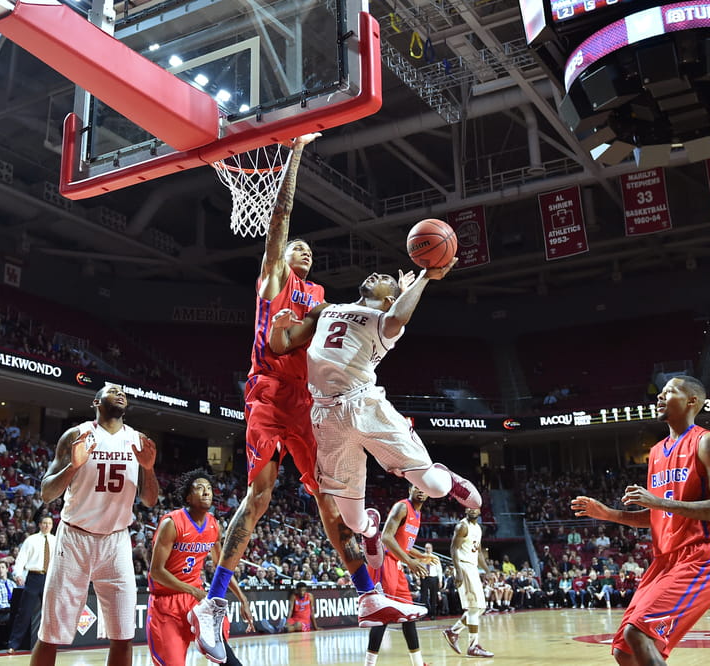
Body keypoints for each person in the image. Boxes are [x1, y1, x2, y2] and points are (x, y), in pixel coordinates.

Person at [191, 134, 424, 663]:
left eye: (310, 252)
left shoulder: (321, 300)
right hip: (269, 395)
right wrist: (296, 153)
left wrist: (405, 289)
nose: (305, 252)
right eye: (300, 248)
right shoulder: (274, 279)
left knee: (331, 498)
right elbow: (280, 220)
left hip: (308, 403)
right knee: (262, 495)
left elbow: (365, 326)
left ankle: (368, 593)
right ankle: (213, 603)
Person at [268, 265, 481, 558]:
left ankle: (446, 476)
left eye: (385, 279)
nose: (377, 276)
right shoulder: (326, 309)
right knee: (353, 521)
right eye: (378, 275)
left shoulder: (385, 321)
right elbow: (283, 345)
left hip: (367, 406)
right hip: (327, 416)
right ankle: (371, 530)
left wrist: (424, 277)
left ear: (390, 299)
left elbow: (399, 316)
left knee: (434, 488)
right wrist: (278, 328)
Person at [570, 375, 710, 666]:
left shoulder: (707, 442)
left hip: (701, 556)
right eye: (660, 392)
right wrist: (608, 514)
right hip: (665, 561)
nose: (659, 397)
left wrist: (659, 501)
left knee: (638, 634)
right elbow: (655, 516)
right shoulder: (657, 452)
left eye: (669, 392)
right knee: (625, 651)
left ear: (692, 401)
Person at [30, 384, 158, 666]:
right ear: (97, 402)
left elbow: (149, 500)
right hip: (75, 538)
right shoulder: (76, 435)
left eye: (124, 391)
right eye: (113, 391)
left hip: (116, 541)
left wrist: (148, 469)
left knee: (124, 633)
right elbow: (47, 493)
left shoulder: (138, 440)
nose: (121, 393)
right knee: (50, 632)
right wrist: (72, 467)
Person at [147, 469, 252, 666]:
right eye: (199, 488)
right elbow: (156, 571)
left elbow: (223, 567)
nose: (206, 492)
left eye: (209, 488)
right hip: (166, 604)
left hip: (196, 603)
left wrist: (242, 598)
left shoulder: (213, 525)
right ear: (188, 497)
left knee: (227, 659)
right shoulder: (172, 523)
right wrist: (193, 590)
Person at [364, 486, 433, 666]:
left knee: (409, 614)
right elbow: (386, 537)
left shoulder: (418, 515)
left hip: (397, 565)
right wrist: (410, 561)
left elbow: (404, 544)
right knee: (382, 616)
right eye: (416, 487)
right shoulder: (402, 507)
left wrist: (421, 556)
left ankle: (418, 664)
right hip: (385, 563)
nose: (420, 490)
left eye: (424, 488)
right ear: (410, 488)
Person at [442, 507, 494, 657]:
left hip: (473, 568)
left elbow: (477, 551)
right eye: (469, 507)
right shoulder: (462, 526)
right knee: (473, 607)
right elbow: (453, 549)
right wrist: (458, 571)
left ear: (479, 510)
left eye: (475, 507)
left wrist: (488, 571)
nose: (472, 510)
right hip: (464, 566)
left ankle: (453, 631)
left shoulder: (477, 528)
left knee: (481, 608)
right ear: (465, 509)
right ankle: (473, 646)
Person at [7, 515, 56, 654]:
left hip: (50, 578)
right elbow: (21, 558)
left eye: (49, 523)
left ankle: (50, 643)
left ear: (52, 526)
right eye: (44, 523)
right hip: (34, 577)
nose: (47, 525)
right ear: (40, 524)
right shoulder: (31, 540)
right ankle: (14, 644)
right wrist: (18, 574)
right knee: (24, 612)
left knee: (50, 613)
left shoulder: (55, 540)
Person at [419, 543, 442, 620]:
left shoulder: (435, 557)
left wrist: (440, 580)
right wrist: (418, 578)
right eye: (426, 548)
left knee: (433, 597)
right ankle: (423, 614)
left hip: (433, 578)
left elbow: (439, 570)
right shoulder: (421, 557)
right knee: (423, 597)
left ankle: (433, 614)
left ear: (431, 549)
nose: (427, 549)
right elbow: (419, 567)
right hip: (424, 578)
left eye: (429, 548)